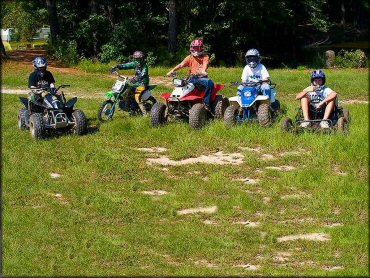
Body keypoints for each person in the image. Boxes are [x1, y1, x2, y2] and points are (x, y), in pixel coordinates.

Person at [166, 39, 214, 112]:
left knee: (209, 82)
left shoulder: (205, 57)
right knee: (180, 83)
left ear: (201, 48)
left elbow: (205, 64)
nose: (195, 49)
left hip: (201, 79)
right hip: (192, 78)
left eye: (197, 48)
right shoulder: (190, 57)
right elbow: (181, 64)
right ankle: (175, 103)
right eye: (194, 48)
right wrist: (172, 70)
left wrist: (203, 71)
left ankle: (206, 104)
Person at [112, 51, 155, 115]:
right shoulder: (135, 64)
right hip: (135, 83)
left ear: (142, 58)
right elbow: (127, 65)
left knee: (137, 97)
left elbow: (143, 74)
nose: (138, 61)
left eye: (139, 59)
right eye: (136, 59)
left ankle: (145, 114)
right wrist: (117, 66)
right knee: (126, 93)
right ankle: (128, 108)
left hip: (143, 83)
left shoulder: (145, 66)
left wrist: (135, 78)